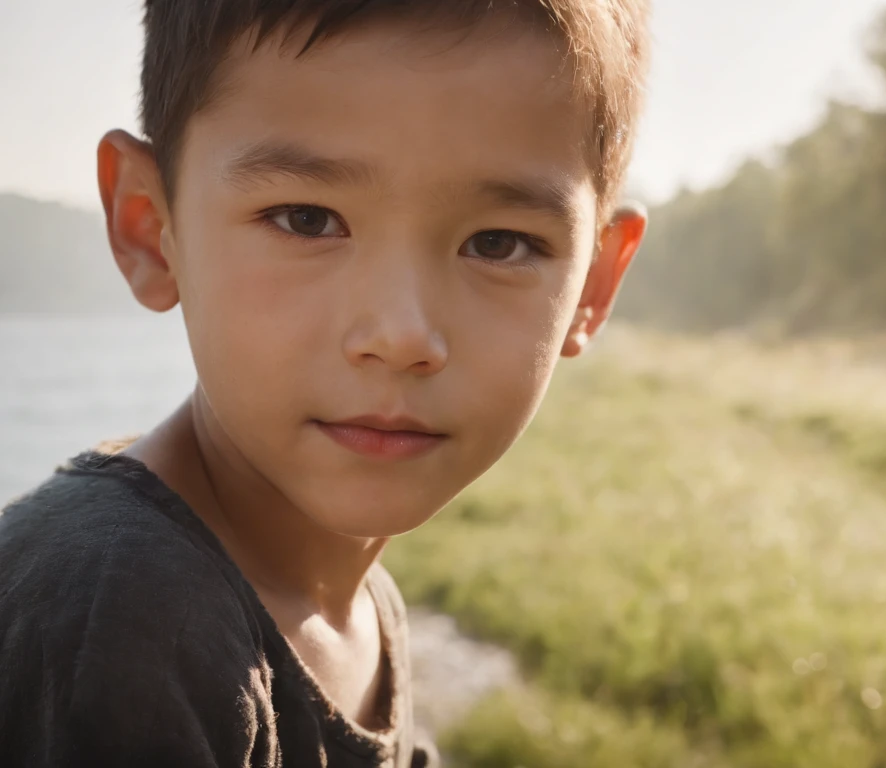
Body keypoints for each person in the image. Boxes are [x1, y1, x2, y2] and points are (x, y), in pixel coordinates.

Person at [0, 0, 649, 765]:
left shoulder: (356, 602)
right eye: (307, 219)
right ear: (150, 225)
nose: (401, 335)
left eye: (498, 243)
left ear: (593, 288)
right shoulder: (117, 617)